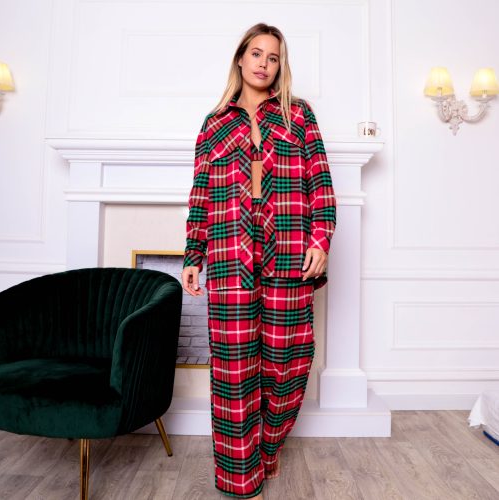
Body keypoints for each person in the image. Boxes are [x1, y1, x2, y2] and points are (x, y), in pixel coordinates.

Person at [181, 22, 336, 500]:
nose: (263, 64)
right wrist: (193, 253)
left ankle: (268, 448)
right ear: (240, 58)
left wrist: (321, 238)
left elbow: (320, 180)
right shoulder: (214, 123)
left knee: (289, 363)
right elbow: (200, 193)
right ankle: (239, 477)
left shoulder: (298, 115)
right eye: (256, 53)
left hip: (288, 251)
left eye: (273, 57)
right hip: (230, 253)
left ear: (279, 66)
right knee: (234, 371)